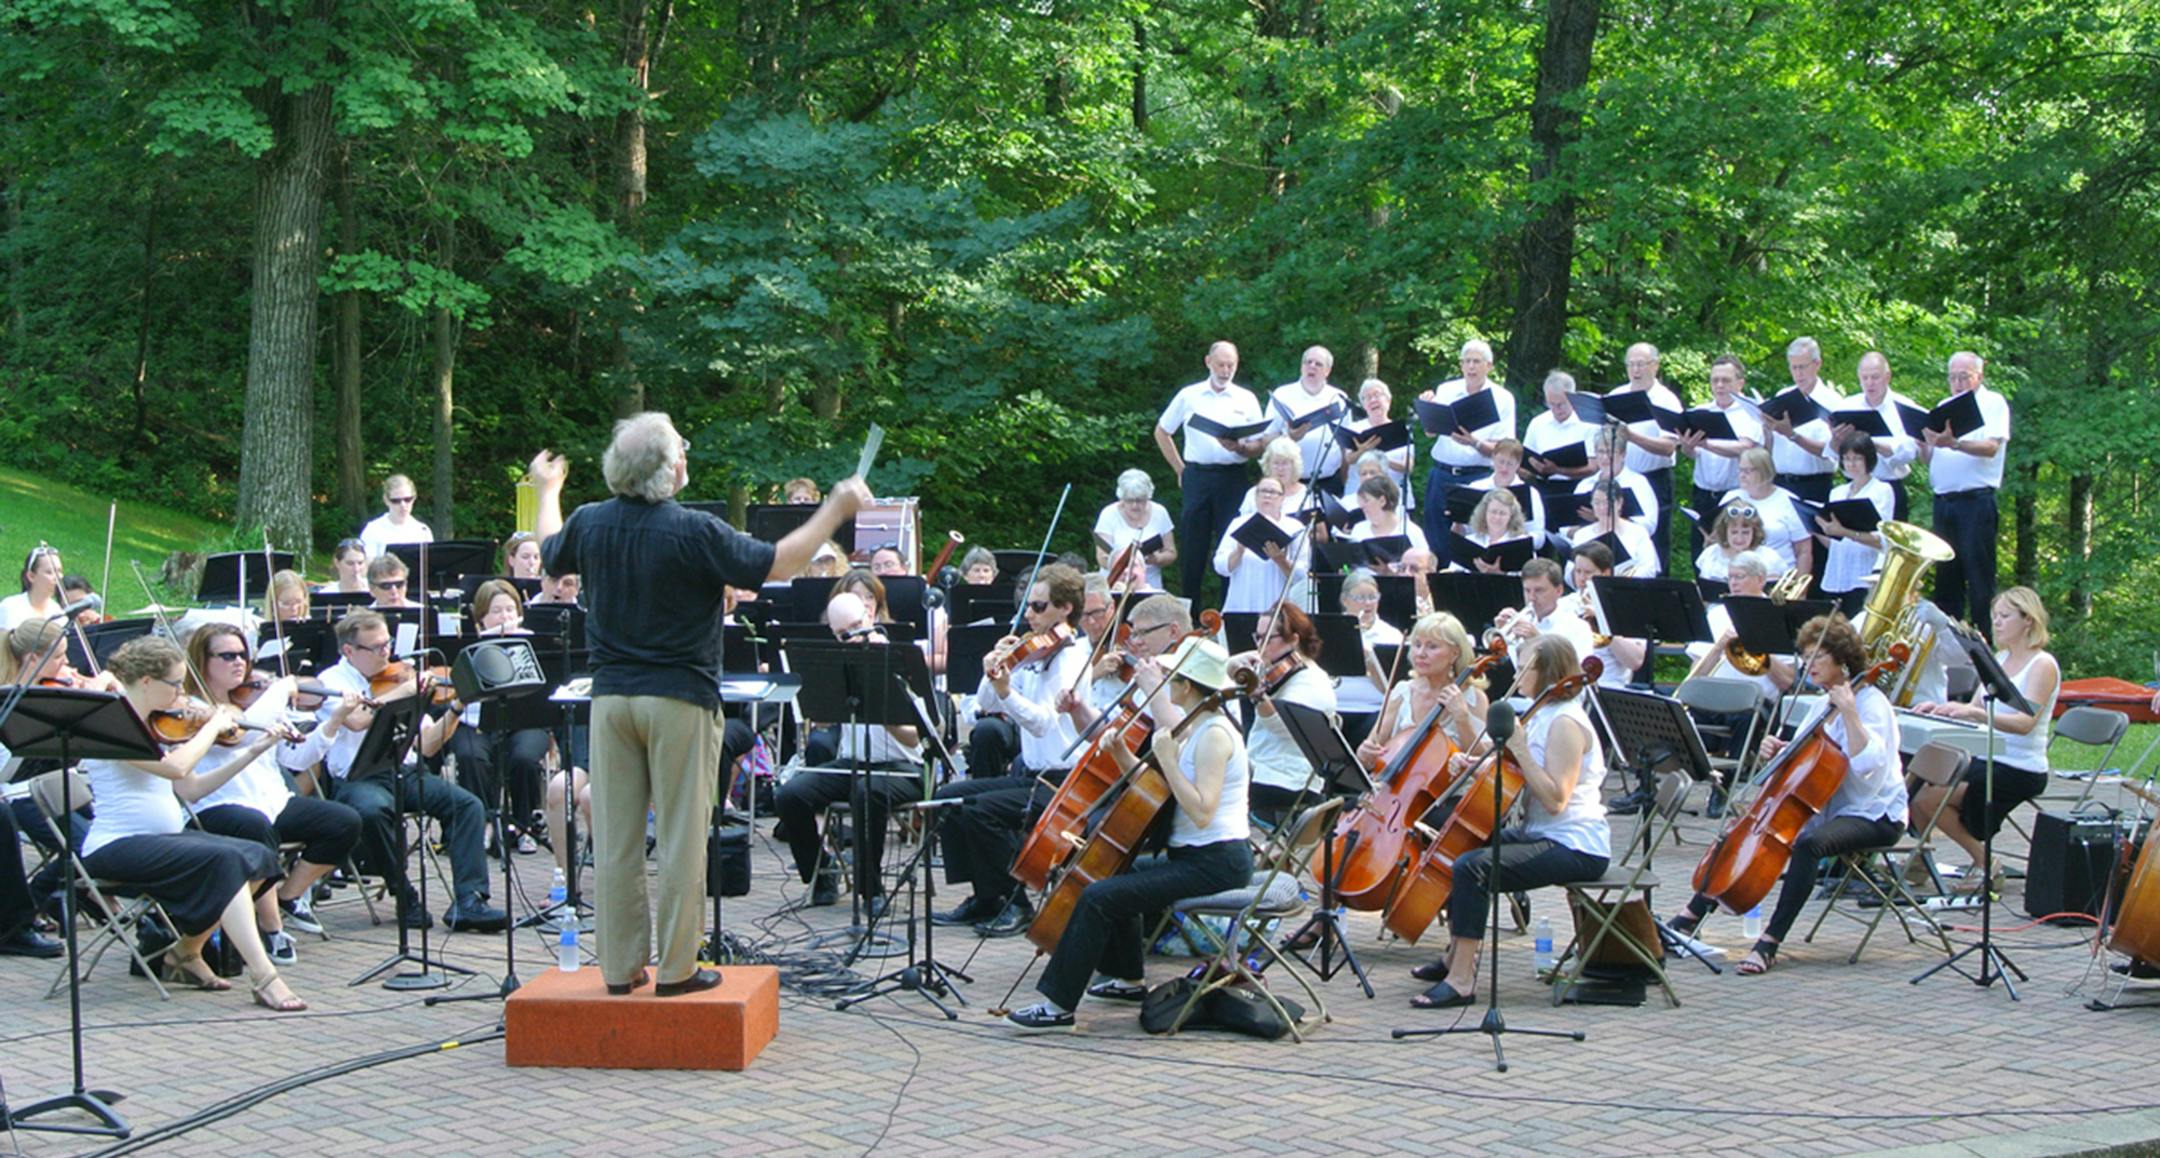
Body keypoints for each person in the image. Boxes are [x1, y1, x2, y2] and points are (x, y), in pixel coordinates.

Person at [532, 413, 869, 997]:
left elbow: (547, 552)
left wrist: (547, 491)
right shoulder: (693, 530)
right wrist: (834, 510)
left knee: (614, 840)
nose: (687, 454)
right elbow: (779, 564)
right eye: (680, 448)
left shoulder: (589, 522)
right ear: (669, 470)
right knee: (684, 836)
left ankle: (618, 968)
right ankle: (677, 970)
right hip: (679, 700)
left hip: (611, 701)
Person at [1003, 635, 1254, 1032]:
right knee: (1112, 874)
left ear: (1186, 686)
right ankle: (1127, 979)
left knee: (1098, 897)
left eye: (1171, 677)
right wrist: (1122, 755)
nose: (1165, 683)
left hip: (1217, 861)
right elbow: (1159, 789)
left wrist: (1168, 759)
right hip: (1194, 855)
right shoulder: (1196, 725)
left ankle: (1057, 1004)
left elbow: (1202, 811)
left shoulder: (1215, 735)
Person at [77, 637, 308, 1011]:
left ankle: (186, 951)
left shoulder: (156, 727)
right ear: (148, 682)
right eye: (175, 685)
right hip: (116, 846)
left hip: (161, 841)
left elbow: (193, 787)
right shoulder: (114, 725)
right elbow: (176, 767)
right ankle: (265, 976)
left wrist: (254, 749)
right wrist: (213, 724)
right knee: (225, 861)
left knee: (257, 855)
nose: (181, 696)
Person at [1667, 613, 1904, 975]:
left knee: (1809, 844)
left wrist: (1851, 714)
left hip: (1873, 813)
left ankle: (1770, 943)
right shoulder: (1819, 703)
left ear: (1842, 660)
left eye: (1817, 657)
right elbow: (1804, 762)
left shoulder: (1872, 704)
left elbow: (1868, 768)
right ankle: (1687, 918)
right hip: (1823, 807)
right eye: (1805, 656)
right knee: (1741, 829)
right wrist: (1777, 750)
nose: (1808, 665)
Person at [1408, 632, 1609, 1008]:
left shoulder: (1565, 722)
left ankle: (1462, 980)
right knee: (1463, 845)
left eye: (1525, 666)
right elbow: (1518, 769)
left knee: (1472, 868)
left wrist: (1516, 747)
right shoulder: (1541, 711)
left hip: (1575, 844)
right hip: (1543, 835)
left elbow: (1555, 798)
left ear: (1546, 670)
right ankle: (1455, 956)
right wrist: (1477, 762)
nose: (1517, 673)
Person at [183, 624, 365, 964]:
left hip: (272, 800)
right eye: (227, 656)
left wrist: (335, 720)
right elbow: (244, 736)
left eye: (242, 655)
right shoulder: (193, 709)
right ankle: (269, 927)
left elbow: (296, 758)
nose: (239, 663)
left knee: (345, 822)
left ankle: (287, 896)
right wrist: (281, 688)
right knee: (256, 829)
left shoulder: (253, 703)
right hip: (218, 804)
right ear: (202, 660)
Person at [310, 609, 500, 932]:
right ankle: (404, 895)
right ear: (349, 651)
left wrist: (455, 707)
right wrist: (408, 691)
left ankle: (470, 899)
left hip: (405, 771)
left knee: (467, 805)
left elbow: (427, 745)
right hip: (358, 777)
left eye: (388, 644)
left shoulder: (400, 676)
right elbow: (356, 721)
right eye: (377, 648)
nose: (387, 654)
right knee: (372, 811)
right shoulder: (331, 681)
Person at [932, 563, 1093, 936]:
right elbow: (977, 708)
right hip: (1031, 775)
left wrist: (1007, 692)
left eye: (1038, 607)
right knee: (949, 798)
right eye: (1027, 606)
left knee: (980, 811)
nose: (1029, 616)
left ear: (1065, 608)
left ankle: (1014, 902)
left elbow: (1042, 721)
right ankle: (984, 896)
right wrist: (993, 670)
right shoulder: (1033, 654)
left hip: (1061, 782)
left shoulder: (1069, 659)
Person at [771, 592, 925, 916]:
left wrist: (882, 711)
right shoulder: (837, 661)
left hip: (903, 767)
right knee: (789, 794)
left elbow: (915, 739)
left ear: (870, 614)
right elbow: (823, 719)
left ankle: (871, 891)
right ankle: (822, 872)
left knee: (866, 791)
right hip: (852, 761)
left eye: (858, 627)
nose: (854, 639)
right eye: (844, 635)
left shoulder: (900, 659)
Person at [1910, 587, 2061, 889]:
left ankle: (1984, 861)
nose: (1998, 623)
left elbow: (2024, 722)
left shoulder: (2042, 665)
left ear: (2028, 621)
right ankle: (1919, 860)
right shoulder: (2000, 658)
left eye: (2005, 616)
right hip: (1987, 756)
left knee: (1928, 798)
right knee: (1919, 783)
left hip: (2020, 765)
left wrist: (1978, 716)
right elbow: (1975, 707)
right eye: (1995, 616)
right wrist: (1941, 709)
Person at [1155, 341, 1265, 606]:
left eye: (1231, 365)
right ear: (1208, 362)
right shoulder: (1189, 395)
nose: (1226, 371)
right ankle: (1188, 613)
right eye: (1221, 364)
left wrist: (1240, 446)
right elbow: (1162, 431)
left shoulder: (1245, 398)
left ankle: (1228, 613)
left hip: (1233, 476)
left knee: (1232, 542)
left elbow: (1260, 445)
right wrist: (1179, 468)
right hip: (1198, 475)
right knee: (1193, 546)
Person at [450, 579, 552, 855]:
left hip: (525, 720)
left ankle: (524, 824)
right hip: (476, 722)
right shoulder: (469, 645)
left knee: (524, 759)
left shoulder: (532, 642)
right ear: (481, 618)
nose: (505, 617)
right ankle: (483, 821)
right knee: (471, 756)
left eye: (510, 610)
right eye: (497, 611)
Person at [1920, 351, 2011, 634]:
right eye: (1953, 377)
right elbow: (1930, 457)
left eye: (1964, 377)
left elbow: (1991, 447)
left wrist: (1955, 444)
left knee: (1979, 578)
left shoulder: (1992, 402)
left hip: (1975, 501)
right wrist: (1924, 442)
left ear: (1979, 377)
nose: (1957, 383)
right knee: (1947, 579)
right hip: (1944, 501)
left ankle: (1987, 642)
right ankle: (1948, 646)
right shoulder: (1944, 405)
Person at [1229, 604, 1335, 823]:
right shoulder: (1274, 671)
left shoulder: (1313, 681)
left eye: (1267, 639)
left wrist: (1259, 697)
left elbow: (1285, 726)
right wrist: (1231, 667)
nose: (1259, 647)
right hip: (1262, 767)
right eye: (1257, 638)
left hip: (1288, 778)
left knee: (1216, 791)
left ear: (1294, 640)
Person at [1354, 612, 1490, 777]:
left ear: (1454, 654)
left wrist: (1462, 719)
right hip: (1395, 789)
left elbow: (1482, 763)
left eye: (1432, 646)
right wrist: (1364, 754)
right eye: (1417, 645)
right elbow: (1372, 751)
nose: (1421, 653)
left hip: (1448, 794)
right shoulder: (1402, 691)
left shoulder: (1473, 698)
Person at [1420, 340, 1517, 564]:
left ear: (1489, 366)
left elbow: (1505, 449)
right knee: (1436, 534)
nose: (1471, 367)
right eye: (1467, 362)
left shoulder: (1502, 398)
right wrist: (1427, 409)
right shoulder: (1446, 390)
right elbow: (1430, 433)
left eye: (1477, 362)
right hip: (1442, 474)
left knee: (1474, 535)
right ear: (1461, 365)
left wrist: (1474, 442)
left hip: (1478, 475)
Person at [1678, 355, 1764, 558]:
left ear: (1740, 383)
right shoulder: (1701, 411)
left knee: (1733, 554)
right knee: (1700, 553)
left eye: (1726, 380)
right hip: (1703, 494)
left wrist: (1706, 443)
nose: (1719, 385)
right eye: (1715, 380)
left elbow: (1745, 447)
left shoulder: (1750, 412)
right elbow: (1691, 453)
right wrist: (1688, 446)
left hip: (1735, 495)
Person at [1610, 343, 1685, 570]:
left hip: (1654, 479)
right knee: (1619, 540)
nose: (1636, 370)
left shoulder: (1666, 399)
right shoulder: (1616, 396)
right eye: (1631, 364)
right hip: (1620, 479)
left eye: (1641, 364)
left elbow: (1669, 447)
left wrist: (1631, 436)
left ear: (1655, 366)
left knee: (1656, 542)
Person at [1830, 352, 1920, 521]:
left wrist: (1869, 443)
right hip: (1855, 486)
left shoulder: (1903, 407)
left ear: (1887, 377)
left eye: (1875, 377)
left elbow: (1909, 452)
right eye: (1865, 378)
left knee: (1889, 545)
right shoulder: (1848, 405)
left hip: (1890, 485)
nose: (1870, 383)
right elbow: (1833, 453)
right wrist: (1836, 439)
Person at [1816, 432, 1895, 616]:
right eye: (1846, 458)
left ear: (1868, 459)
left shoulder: (1881, 490)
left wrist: (1844, 531)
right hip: (1836, 571)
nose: (1851, 464)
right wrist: (1818, 527)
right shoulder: (1837, 492)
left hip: (1864, 571)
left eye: (1857, 458)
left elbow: (1882, 539)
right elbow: (1834, 541)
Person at [1760, 337, 1840, 505]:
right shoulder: (1783, 395)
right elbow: (1769, 447)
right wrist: (1767, 429)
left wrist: (1792, 435)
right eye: (1793, 368)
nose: (1798, 374)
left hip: (1813, 485)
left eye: (1802, 367)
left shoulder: (1832, 402)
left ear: (1817, 364)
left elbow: (1830, 452)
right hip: (1780, 483)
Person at [1214, 477, 1309, 613]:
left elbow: (1301, 575)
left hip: (1277, 605)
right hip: (1242, 604)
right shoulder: (1238, 523)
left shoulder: (1295, 527)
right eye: (1262, 491)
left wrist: (1280, 560)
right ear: (1256, 496)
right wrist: (1239, 551)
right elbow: (1220, 566)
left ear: (1282, 498)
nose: (1267, 495)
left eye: (1273, 492)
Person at [1335, 570, 1404, 749]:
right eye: (1360, 598)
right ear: (1345, 600)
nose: (1367, 603)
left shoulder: (1391, 635)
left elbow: (1390, 688)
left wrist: (1370, 659)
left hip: (1372, 709)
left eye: (1372, 597)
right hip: (1334, 706)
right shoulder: (1331, 630)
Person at [1265, 345, 1352, 483]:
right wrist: (1289, 437)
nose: (1312, 366)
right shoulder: (1282, 394)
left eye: (1318, 364)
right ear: (1301, 366)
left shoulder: (1339, 398)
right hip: (1290, 482)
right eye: (1308, 362)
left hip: (1329, 480)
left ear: (1327, 371)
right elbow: (1266, 439)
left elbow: (1345, 445)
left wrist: (1345, 480)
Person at [1720, 448, 1812, 576]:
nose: (1742, 475)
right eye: (1740, 470)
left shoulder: (1788, 500)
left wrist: (1799, 590)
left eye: (1747, 471)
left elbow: (1804, 550)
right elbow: (1719, 539)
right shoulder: (1730, 498)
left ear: (1764, 471)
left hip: (1776, 575)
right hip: (1736, 576)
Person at [1568, 542, 1647, 689]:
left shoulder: (1625, 608)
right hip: (1570, 687)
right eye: (1578, 571)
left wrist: (1602, 620)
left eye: (1588, 572)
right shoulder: (1565, 605)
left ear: (1605, 573)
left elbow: (1635, 661)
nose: (1582, 578)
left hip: (1608, 688)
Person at [1492, 559, 1595, 665]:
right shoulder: (1519, 623)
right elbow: (1517, 669)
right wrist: (1503, 639)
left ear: (1559, 590)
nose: (1532, 598)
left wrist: (1540, 643)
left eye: (1539, 590)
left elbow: (1578, 673)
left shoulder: (1578, 627)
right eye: (1527, 590)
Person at [1093, 468, 1177, 592]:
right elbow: (1101, 556)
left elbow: (1171, 552)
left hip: (1150, 584)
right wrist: (1125, 564)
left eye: (1140, 500)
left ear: (1149, 497)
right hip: (1115, 584)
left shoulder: (1160, 513)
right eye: (1129, 500)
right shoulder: (1108, 514)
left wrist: (1156, 559)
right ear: (1121, 497)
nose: (1135, 505)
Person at [1572, 424, 1659, 539]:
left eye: (1610, 452)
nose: (1604, 458)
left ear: (1623, 454)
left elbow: (1648, 525)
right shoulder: (1584, 485)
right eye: (1600, 452)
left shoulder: (1637, 483)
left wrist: (1602, 518)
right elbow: (1566, 529)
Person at [1343, 378, 1415, 516]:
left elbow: (1408, 467)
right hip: (1359, 497)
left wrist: (1380, 457)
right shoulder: (1355, 428)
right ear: (1363, 405)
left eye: (1377, 395)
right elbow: (1349, 459)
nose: (1373, 400)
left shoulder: (1402, 429)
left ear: (1388, 400)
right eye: (1367, 397)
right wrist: (1363, 450)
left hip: (1394, 498)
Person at [1463, 439, 1549, 548]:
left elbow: (1539, 537)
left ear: (1518, 464)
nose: (1504, 468)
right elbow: (1466, 530)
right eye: (1501, 461)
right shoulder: (1476, 487)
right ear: (1493, 458)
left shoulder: (1531, 493)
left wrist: (1514, 542)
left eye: (1510, 463)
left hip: (1516, 550)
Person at [1567, 480, 1659, 579]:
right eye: (1597, 502)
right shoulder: (1582, 534)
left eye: (1607, 502)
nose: (1602, 508)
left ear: (1619, 503)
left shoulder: (1638, 532)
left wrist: (1623, 580)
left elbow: (1649, 568)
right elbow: (1569, 572)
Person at [1520, 371, 1599, 485]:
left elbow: (1593, 467)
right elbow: (1526, 459)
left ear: (1572, 398)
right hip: (1543, 485)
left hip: (1578, 486)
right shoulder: (1538, 423)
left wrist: (1558, 470)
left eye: (1561, 404)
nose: (1556, 409)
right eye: (1551, 404)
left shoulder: (1588, 424)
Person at [1344, 475, 1427, 575]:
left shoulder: (1411, 530)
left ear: (1382, 501)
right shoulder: (1359, 529)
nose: (1362, 506)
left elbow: (1425, 567)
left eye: (1366, 501)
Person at [1693, 503, 1770, 601]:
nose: (1739, 538)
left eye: (1745, 532)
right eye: (1734, 532)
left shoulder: (1767, 557)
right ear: (1725, 531)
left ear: (1755, 531)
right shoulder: (1711, 554)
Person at [1454, 488, 1534, 573]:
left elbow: (1530, 578)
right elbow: (1454, 571)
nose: (1497, 517)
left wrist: (1500, 573)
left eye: (1502, 513)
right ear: (1484, 513)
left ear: (1511, 516)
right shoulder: (1469, 541)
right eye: (1493, 512)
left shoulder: (1522, 543)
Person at [359, 474, 433, 561]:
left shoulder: (423, 531)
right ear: (386, 500)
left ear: (414, 498)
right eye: (396, 501)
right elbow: (367, 567)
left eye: (407, 499)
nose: (403, 505)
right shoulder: (373, 530)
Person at [1238, 436, 1310, 517]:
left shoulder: (1307, 494)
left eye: (1285, 463)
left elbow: (1319, 528)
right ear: (1267, 464)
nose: (1280, 468)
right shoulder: (1253, 494)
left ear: (1294, 465)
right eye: (1276, 463)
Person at [0, 544, 64, 630]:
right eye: (49, 572)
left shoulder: (58, 612)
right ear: (31, 576)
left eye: (59, 571)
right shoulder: (10, 607)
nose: (58, 577)